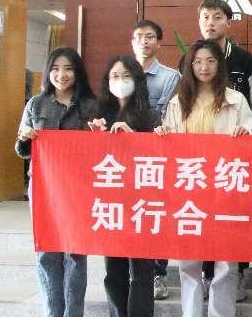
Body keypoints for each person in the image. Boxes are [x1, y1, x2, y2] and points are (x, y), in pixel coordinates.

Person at [155, 39, 252, 317]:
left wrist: (246, 133)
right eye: (198, 61)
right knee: (188, 260)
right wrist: (163, 134)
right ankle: (191, 312)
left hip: (225, 187)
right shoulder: (177, 101)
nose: (204, 67)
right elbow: (169, 142)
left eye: (211, 61)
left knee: (225, 259)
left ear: (219, 65)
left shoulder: (236, 100)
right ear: (190, 66)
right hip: (190, 187)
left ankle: (221, 313)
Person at [16, 47, 98, 317]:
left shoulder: (91, 105)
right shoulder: (36, 104)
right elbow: (21, 150)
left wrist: (98, 134)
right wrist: (25, 138)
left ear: (78, 73)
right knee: (47, 251)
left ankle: (73, 313)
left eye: (68, 69)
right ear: (48, 72)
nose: (61, 74)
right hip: (44, 188)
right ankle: (53, 311)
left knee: (75, 253)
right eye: (55, 69)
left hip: (78, 188)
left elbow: (100, 151)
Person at [193, 0, 252, 297]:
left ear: (228, 22)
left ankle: (239, 272)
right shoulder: (190, 57)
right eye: (205, 17)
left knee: (236, 216)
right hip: (199, 159)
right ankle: (207, 274)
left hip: (236, 157)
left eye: (217, 17)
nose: (211, 23)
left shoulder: (245, 60)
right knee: (204, 216)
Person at [90, 55, 160, 317]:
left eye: (127, 76)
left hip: (142, 202)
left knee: (142, 271)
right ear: (107, 81)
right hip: (112, 203)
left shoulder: (151, 115)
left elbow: (160, 157)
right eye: (115, 76)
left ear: (138, 80)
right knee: (114, 271)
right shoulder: (98, 115)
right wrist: (93, 136)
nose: (121, 81)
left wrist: (135, 140)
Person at [130, 19, 180, 300]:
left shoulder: (171, 77)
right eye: (139, 37)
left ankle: (158, 274)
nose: (144, 41)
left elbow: (166, 117)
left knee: (158, 215)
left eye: (150, 37)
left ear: (159, 42)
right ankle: (133, 272)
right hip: (125, 160)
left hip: (157, 158)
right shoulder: (121, 74)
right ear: (132, 42)